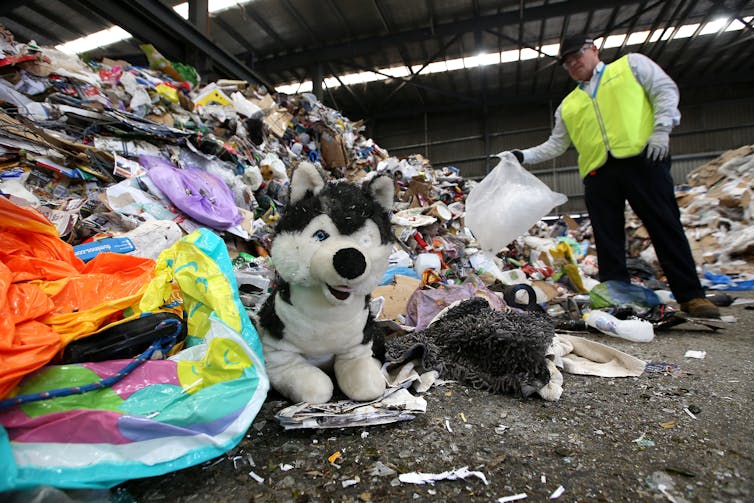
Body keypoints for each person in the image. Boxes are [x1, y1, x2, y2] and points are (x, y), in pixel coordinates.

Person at [507, 34, 719, 318]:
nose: (573, 63)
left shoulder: (631, 66)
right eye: (567, 61)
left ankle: (692, 296)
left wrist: (661, 130)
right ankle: (617, 297)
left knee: (664, 226)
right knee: (608, 240)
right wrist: (523, 155)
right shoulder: (568, 104)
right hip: (598, 174)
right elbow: (555, 145)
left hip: (643, 161)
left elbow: (664, 90)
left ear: (594, 49)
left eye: (577, 55)